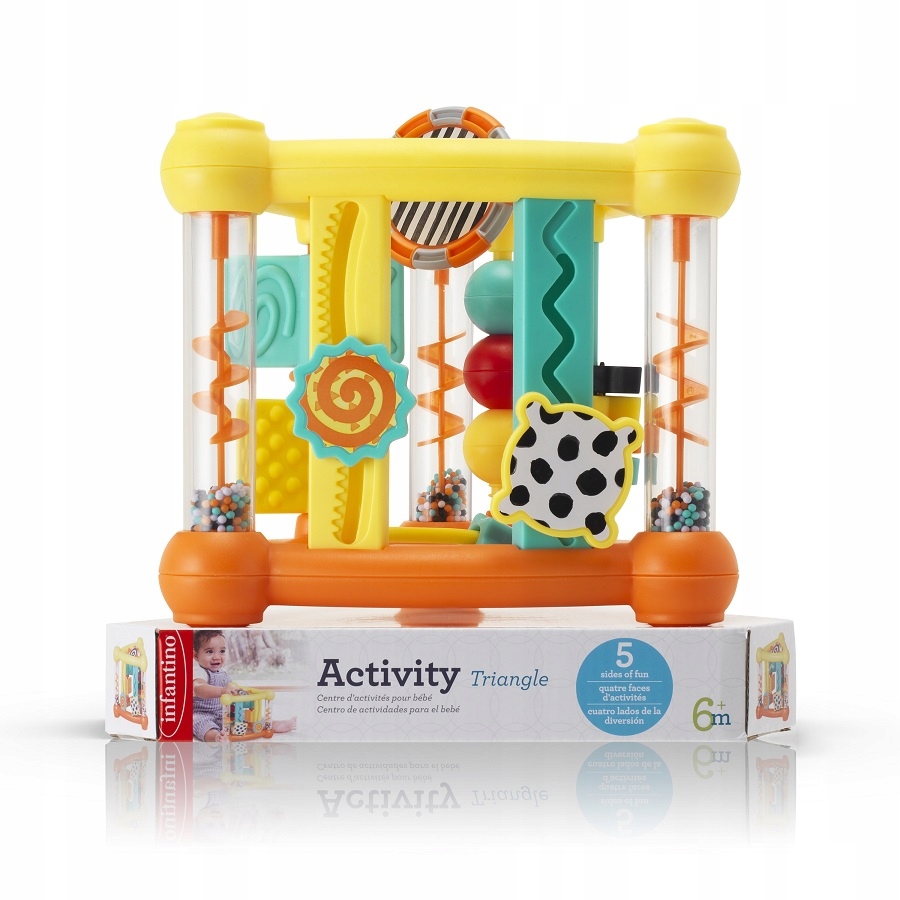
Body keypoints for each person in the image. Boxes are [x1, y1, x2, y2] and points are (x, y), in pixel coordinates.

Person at [193, 630, 296, 742]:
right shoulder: (199, 671)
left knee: (247, 718)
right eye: (209, 652)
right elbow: (199, 688)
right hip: (203, 713)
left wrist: (240, 693)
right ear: (196, 655)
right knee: (200, 724)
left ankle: (273, 724)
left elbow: (231, 688)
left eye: (222, 651)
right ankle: (216, 737)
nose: (217, 657)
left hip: (224, 712)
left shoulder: (222, 672)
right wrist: (222, 691)